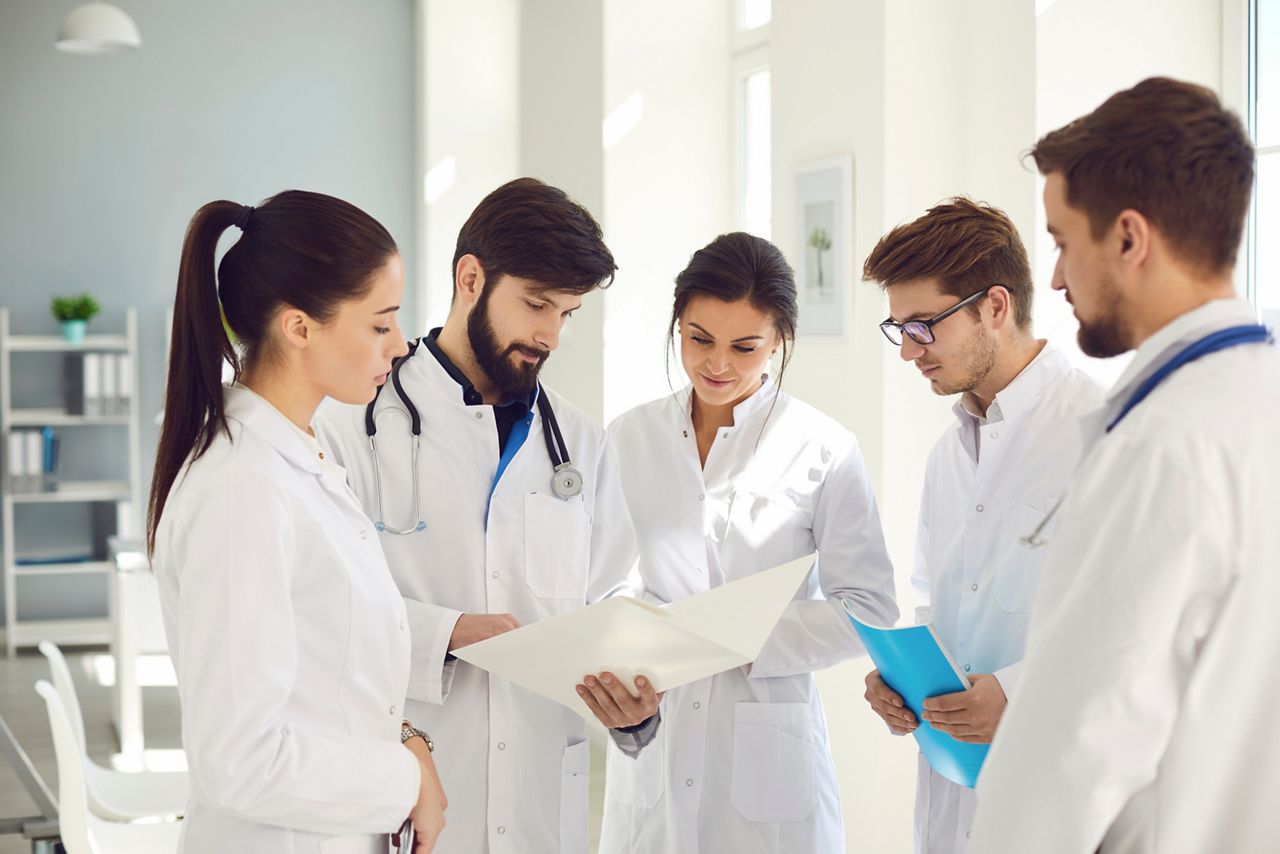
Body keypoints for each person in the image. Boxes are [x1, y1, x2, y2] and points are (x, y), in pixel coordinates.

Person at [967, 77, 1275, 853]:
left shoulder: (1159, 445)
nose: (1059, 278)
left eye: (1064, 242)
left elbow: (1075, 745)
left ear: (1130, 238)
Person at [314, 177, 647, 853]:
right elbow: (319, 608)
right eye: (536, 304)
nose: (551, 334)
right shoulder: (351, 424)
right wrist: (447, 632)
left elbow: (612, 594)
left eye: (568, 313)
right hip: (411, 783)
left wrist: (633, 694)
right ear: (471, 277)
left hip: (538, 801)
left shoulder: (579, 444)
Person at [148, 190, 447, 854]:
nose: (400, 345)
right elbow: (239, 761)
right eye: (380, 323)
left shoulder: (297, 458)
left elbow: (321, 677)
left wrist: (405, 741)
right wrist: (405, 779)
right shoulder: (243, 489)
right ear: (299, 326)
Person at [597, 232, 899, 853]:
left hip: (768, 752)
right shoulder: (628, 438)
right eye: (699, 339)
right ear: (677, 323)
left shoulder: (823, 448)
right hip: (653, 732)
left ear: (780, 340)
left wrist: (731, 637)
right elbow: (605, 585)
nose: (717, 365)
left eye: (745, 347)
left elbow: (870, 608)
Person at [860, 198, 1103, 853]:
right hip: (951, 789)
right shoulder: (948, 456)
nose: (910, 352)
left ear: (995, 306)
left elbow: (1136, 629)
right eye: (899, 329)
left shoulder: (1101, 434)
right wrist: (900, 686)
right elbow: (940, 610)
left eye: (923, 325)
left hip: (1054, 799)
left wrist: (1017, 695)